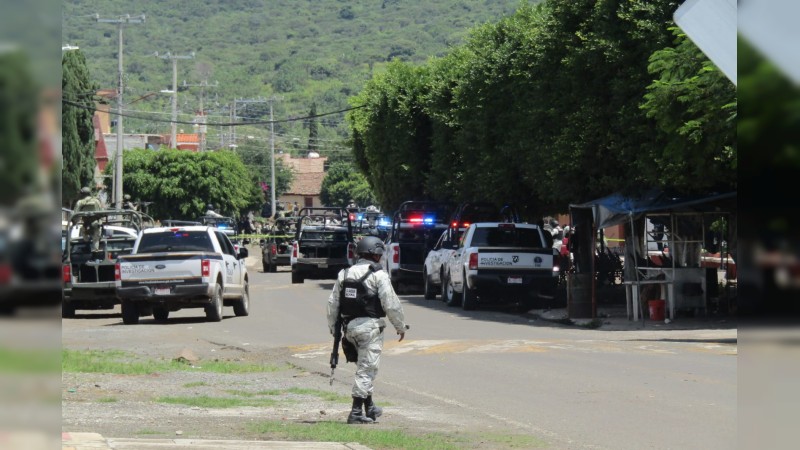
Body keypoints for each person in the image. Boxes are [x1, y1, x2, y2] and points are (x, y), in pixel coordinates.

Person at [326, 236, 409, 424]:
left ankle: (369, 407)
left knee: (364, 366)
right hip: (369, 329)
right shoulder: (379, 274)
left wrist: (334, 329)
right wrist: (400, 326)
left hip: (349, 330)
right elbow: (391, 303)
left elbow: (333, 304)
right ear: (376, 254)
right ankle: (355, 412)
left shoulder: (344, 273)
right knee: (366, 369)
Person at [73, 186, 103, 252]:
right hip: (96, 223)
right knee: (96, 238)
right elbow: (101, 212)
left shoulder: (80, 202)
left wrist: (74, 222)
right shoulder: (96, 201)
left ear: (82, 194)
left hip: (85, 224)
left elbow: (75, 214)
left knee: (83, 233)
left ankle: (87, 248)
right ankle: (95, 252)